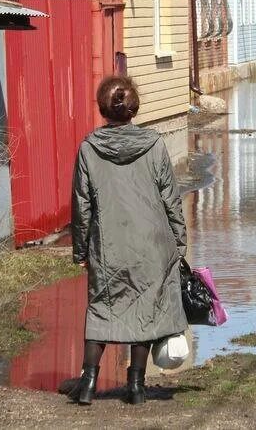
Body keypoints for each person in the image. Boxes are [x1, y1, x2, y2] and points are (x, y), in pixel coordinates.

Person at [63, 76, 188, 406]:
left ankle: (88, 382)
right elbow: (170, 198)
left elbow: (82, 203)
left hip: (108, 246)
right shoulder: (155, 145)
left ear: (103, 108)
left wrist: (79, 250)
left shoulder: (89, 149)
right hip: (152, 244)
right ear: (134, 108)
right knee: (145, 311)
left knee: (102, 308)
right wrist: (179, 241)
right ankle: (135, 386)